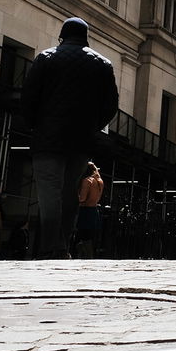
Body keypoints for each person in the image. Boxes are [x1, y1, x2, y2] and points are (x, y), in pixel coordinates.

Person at [20, 17, 119, 260]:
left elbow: (28, 97)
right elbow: (111, 106)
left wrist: (35, 125)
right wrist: (93, 126)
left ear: (62, 36)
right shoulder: (102, 64)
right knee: (68, 193)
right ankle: (61, 246)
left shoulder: (45, 58)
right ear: (86, 37)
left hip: (48, 139)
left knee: (49, 192)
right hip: (81, 140)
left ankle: (50, 247)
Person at [74, 163, 104, 258]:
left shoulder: (87, 181)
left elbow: (82, 198)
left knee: (83, 236)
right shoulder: (99, 181)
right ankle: (87, 254)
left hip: (85, 210)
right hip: (94, 210)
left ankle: (87, 255)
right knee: (89, 236)